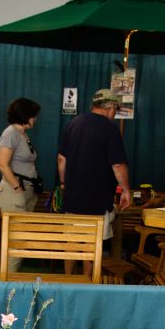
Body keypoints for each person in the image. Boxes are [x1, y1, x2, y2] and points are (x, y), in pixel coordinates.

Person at [57, 88, 131, 275]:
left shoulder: (73, 124)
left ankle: (68, 281)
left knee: (72, 244)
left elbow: (61, 159)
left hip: (72, 199)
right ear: (110, 106)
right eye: (116, 109)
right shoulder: (110, 129)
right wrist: (126, 191)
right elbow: (118, 165)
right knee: (91, 246)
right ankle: (87, 286)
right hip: (97, 200)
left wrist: (65, 184)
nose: (115, 114)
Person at [0, 97, 41, 272]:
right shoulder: (10, 134)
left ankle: (11, 278)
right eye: (33, 115)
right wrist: (17, 187)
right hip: (14, 192)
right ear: (25, 115)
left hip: (26, 191)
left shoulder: (22, 134)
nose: (35, 119)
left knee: (21, 237)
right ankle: (7, 284)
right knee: (16, 238)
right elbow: (2, 164)